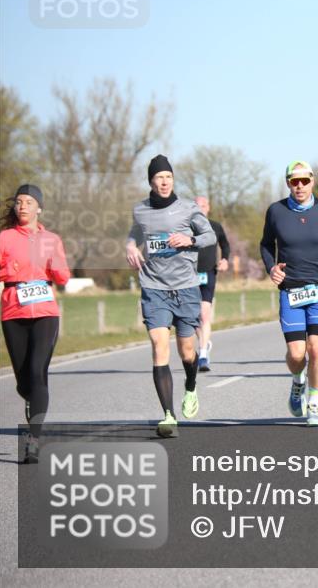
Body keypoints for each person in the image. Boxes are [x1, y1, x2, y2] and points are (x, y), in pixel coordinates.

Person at [126, 155, 217, 437]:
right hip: (154, 288)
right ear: (151, 181)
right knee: (158, 346)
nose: (164, 182)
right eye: (159, 177)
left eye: (168, 177)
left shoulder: (188, 209)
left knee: (187, 351)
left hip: (186, 287)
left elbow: (210, 236)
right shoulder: (140, 210)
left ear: (173, 180)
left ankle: (190, 387)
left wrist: (190, 240)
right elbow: (135, 233)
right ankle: (168, 415)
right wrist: (130, 245)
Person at [259, 160, 318, 426]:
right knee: (297, 354)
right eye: (294, 181)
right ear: (288, 183)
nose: (299, 186)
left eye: (304, 181)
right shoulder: (276, 211)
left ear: (312, 181)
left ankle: (314, 404)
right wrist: (271, 268)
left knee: (316, 348)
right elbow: (266, 245)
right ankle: (298, 380)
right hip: (290, 289)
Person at [0, 185, 71, 463]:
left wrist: (54, 267)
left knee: (37, 371)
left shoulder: (51, 239)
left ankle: (33, 439)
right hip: (13, 311)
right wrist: (10, 270)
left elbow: (63, 277)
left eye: (29, 202)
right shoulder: (4, 238)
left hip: (44, 311)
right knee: (23, 382)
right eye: (19, 202)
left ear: (38, 208)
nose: (23, 206)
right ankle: (30, 396)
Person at [193, 196, 230, 372]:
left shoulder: (215, 226)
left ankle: (202, 355)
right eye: (196, 206)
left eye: (203, 206)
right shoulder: (186, 228)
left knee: (204, 315)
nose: (200, 209)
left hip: (208, 273)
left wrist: (225, 259)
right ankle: (204, 343)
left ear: (208, 208)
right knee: (193, 319)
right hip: (188, 275)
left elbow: (226, 245)